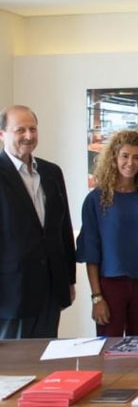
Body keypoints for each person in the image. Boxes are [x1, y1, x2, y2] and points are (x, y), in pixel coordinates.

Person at [76, 130, 138, 336]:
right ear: (114, 157)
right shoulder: (96, 199)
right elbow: (91, 252)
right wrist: (97, 297)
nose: (130, 163)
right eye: (125, 156)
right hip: (110, 286)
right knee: (109, 347)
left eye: (137, 157)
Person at [0, 105, 76, 339]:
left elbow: (63, 229)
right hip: (12, 291)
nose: (28, 136)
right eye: (20, 130)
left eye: (33, 129)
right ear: (2, 134)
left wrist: (69, 279)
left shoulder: (52, 172)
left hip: (52, 288)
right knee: (14, 360)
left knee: (47, 355)